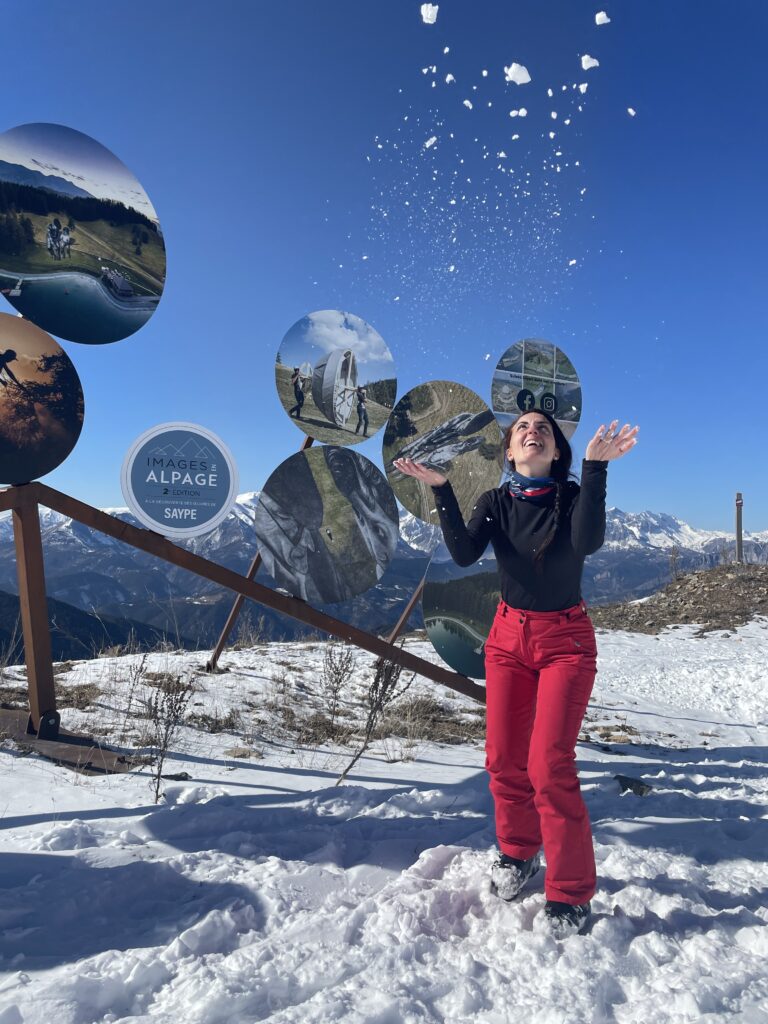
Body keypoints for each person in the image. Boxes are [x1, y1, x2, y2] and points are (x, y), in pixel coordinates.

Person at [393, 410, 638, 938]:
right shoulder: (497, 503)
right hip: (506, 639)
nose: (534, 431)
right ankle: (519, 851)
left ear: (555, 453)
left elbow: (588, 542)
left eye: (544, 430)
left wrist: (595, 469)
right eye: (524, 428)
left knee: (548, 764)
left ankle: (571, 892)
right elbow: (462, 554)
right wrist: (442, 488)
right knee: (504, 758)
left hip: (565, 644)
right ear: (509, 452)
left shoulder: (571, 498)